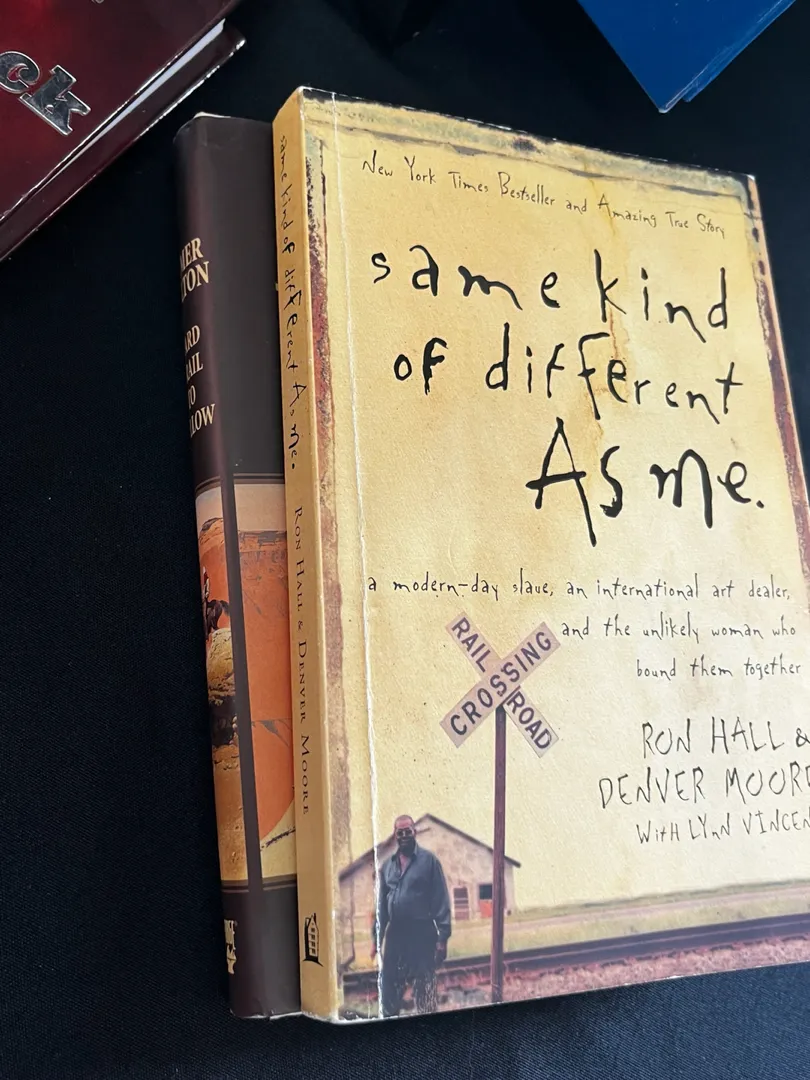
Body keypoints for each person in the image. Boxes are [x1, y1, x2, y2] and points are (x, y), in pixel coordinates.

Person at [371, 814, 451, 1016]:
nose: (404, 836)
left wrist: (442, 938)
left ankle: (429, 1024)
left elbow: (440, 899)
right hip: (396, 934)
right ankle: (390, 1020)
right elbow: (382, 908)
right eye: (400, 833)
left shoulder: (429, 861)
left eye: (408, 831)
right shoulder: (388, 866)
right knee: (390, 984)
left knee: (425, 985)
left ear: (414, 832)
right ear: (395, 835)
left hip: (422, 932)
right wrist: (376, 939)